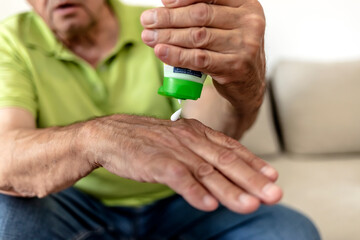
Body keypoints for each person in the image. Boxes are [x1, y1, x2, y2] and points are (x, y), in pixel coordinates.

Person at [0, 0, 320, 239]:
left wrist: (243, 84)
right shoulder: (11, 40)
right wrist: (96, 138)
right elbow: (6, 153)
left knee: (291, 231)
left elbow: (208, 128)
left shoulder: (158, 24)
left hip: (179, 201)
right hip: (76, 205)